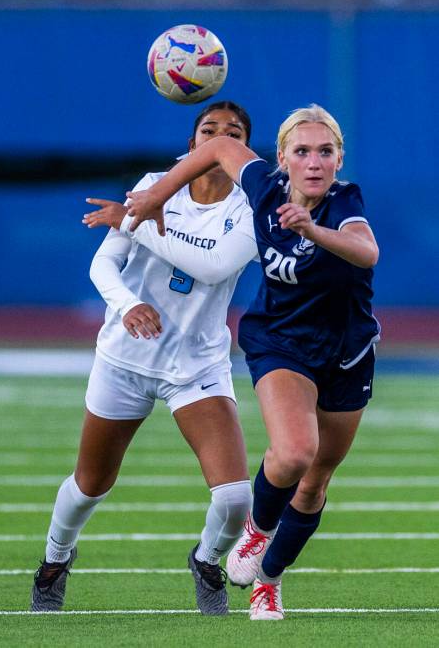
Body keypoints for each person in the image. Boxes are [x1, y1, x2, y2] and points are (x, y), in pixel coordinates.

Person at [87, 104, 380, 621]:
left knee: (314, 483)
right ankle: (256, 533)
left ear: (339, 161)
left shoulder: (344, 201)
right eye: (302, 151)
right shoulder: (262, 190)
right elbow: (218, 149)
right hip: (281, 341)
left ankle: (268, 582)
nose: (314, 162)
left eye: (326, 152)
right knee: (293, 455)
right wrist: (154, 196)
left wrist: (312, 230)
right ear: (282, 159)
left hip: (346, 353)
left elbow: (365, 252)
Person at [30, 101, 260, 616]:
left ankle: (206, 561)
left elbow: (213, 264)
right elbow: (103, 265)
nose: (219, 138)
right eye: (209, 129)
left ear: (244, 150)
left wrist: (138, 222)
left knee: (234, 499)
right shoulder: (157, 182)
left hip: (196, 368)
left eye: (233, 133)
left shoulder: (249, 205)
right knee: (91, 484)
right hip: (124, 361)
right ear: (191, 143)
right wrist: (130, 302)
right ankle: (54, 561)